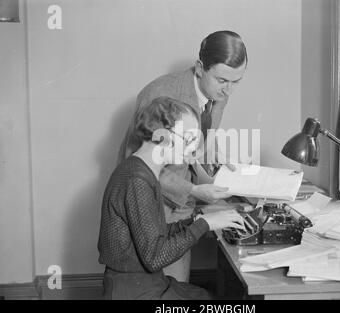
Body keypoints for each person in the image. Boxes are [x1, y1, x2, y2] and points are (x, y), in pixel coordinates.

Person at [118, 30, 248, 281]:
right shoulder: (160, 95)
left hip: (182, 203)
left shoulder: (217, 92)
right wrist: (193, 190)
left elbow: (196, 143)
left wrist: (216, 163)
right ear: (200, 68)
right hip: (154, 204)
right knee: (165, 287)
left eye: (237, 81)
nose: (229, 91)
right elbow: (136, 162)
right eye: (222, 81)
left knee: (178, 285)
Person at [98, 97, 245, 299]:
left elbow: (152, 232)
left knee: (206, 295)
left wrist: (195, 221)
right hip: (133, 290)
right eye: (188, 139)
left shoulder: (141, 170)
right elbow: (155, 257)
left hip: (142, 282)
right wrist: (203, 224)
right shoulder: (136, 181)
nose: (192, 149)